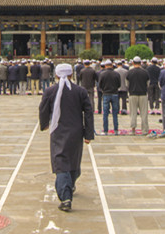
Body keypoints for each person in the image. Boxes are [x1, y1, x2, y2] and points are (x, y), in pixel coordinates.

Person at [38, 63, 94, 212]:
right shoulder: (80, 91)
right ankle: (70, 184)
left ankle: (65, 197)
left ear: (56, 75)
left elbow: (43, 109)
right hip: (76, 131)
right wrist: (88, 134)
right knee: (74, 159)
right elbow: (88, 112)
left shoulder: (50, 91)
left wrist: (44, 124)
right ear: (71, 75)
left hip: (58, 131)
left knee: (61, 162)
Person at [126, 56, 150, 135]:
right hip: (143, 94)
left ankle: (133, 130)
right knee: (144, 114)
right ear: (140, 63)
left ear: (133, 63)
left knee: (133, 113)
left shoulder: (129, 72)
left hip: (133, 94)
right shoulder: (145, 72)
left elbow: (127, 84)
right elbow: (148, 84)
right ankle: (145, 130)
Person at [98, 60, 121, 135]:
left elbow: (100, 85)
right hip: (114, 94)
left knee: (105, 113)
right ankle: (116, 130)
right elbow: (119, 84)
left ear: (105, 66)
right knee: (115, 113)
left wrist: (104, 89)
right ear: (112, 65)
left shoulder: (102, 74)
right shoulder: (116, 74)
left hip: (106, 94)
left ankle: (105, 130)